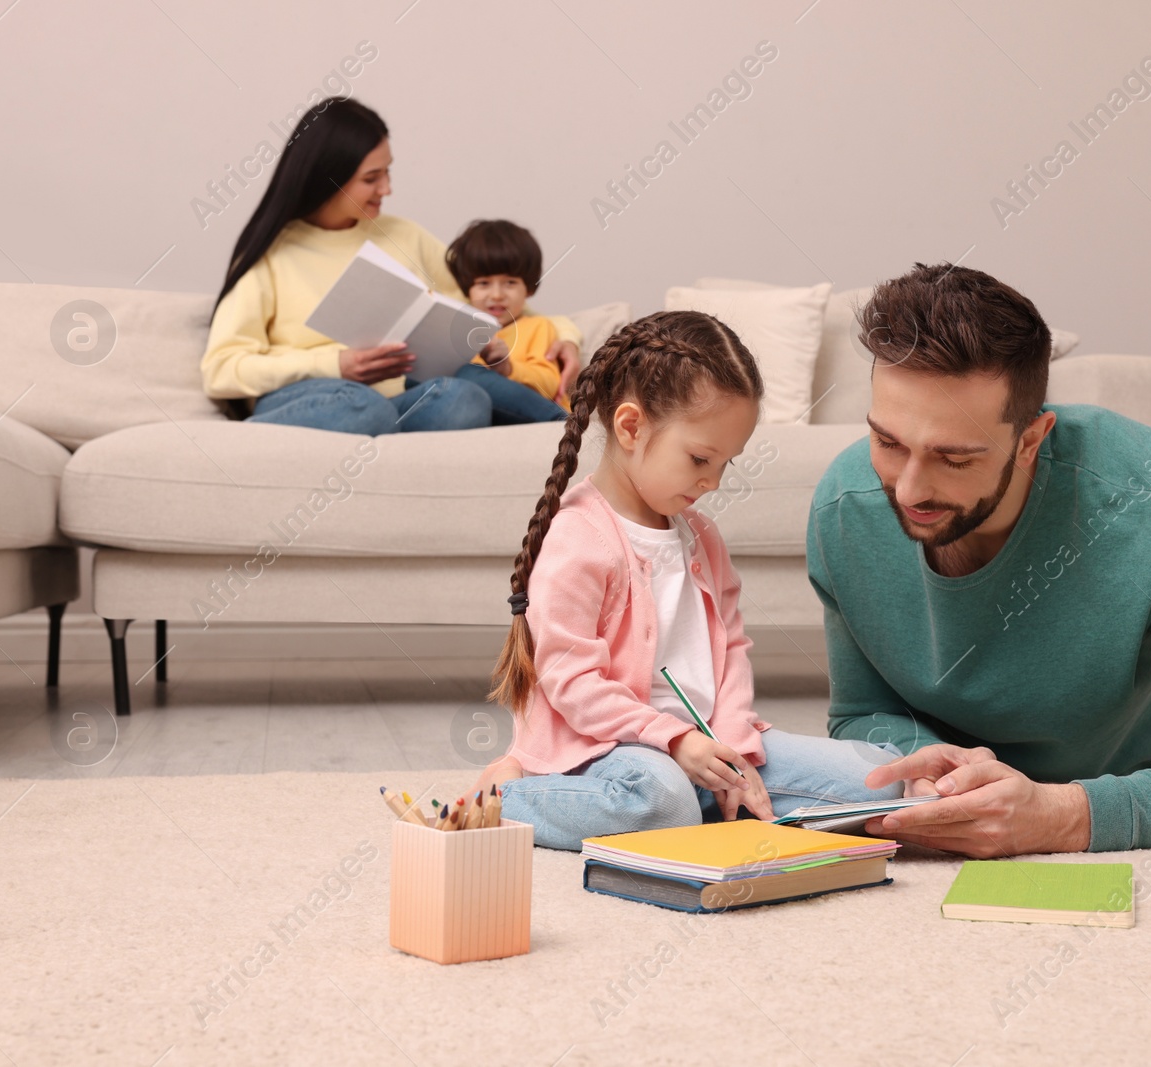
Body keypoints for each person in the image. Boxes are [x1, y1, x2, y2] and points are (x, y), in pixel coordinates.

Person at [808, 262, 1151, 856]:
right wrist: (924, 765)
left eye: (955, 458)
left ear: (1031, 440)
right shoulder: (845, 506)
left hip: (1135, 777)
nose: (908, 490)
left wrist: (1062, 817)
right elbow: (863, 711)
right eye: (888, 442)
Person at [475, 311, 903, 850]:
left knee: (886, 777)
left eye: (727, 463)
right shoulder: (577, 538)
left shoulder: (700, 535)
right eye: (701, 458)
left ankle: (708, 804)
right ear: (631, 428)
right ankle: (506, 799)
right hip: (608, 751)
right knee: (662, 799)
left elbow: (732, 648)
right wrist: (675, 740)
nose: (714, 481)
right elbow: (572, 683)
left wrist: (735, 746)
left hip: (704, 751)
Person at [201, 97, 583, 434]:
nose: (387, 189)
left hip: (401, 397)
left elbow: (490, 301)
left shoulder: (405, 236)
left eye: (387, 172)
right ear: (326, 179)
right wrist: (335, 364)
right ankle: (272, 432)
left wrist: (565, 335)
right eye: (371, 178)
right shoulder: (270, 256)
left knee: (463, 396)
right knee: (361, 407)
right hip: (317, 394)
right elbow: (222, 369)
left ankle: (564, 433)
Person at [445, 219, 572, 425]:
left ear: (529, 288)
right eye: (483, 283)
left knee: (469, 374)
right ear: (467, 289)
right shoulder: (461, 333)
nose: (496, 295)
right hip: (485, 413)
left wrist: (507, 369)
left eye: (510, 283)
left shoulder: (537, 326)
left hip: (537, 413)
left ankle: (566, 426)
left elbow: (550, 384)